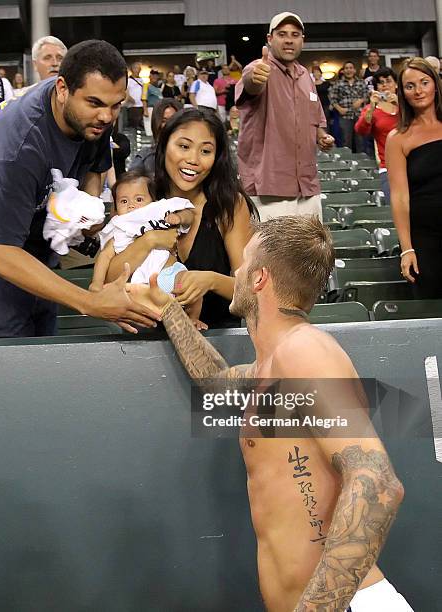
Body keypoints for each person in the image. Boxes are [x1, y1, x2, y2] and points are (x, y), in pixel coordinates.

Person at [129, 215, 411, 612]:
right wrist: (169, 311)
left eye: (243, 264)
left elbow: (378, 484)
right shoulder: (274, 367)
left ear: (259, 279)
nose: (237, 272)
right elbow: (216, 382)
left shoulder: (305, 350)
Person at [0, 40, 159, 339]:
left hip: (35, 229)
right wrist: (90, 303)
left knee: (43, 340)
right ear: (62, 88)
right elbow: (0, 254)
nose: (107, 117)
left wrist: (86, 207)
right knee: (7, 351)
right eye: (95, 103)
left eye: (116, 104)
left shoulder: (96, 114)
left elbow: (96, 166)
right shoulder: (16, 146)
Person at [105, 108, 257, 329]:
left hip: (216, 343)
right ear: (164, 146)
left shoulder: (229, 205)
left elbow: (251, 292)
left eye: (205, 151)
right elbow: (109, 282)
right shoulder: (139, 198)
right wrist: (149, 241)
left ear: (217, 158)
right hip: (145, 343)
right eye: (183, 146)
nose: (193, 159)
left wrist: (211, 281)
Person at [235, 11, 334, 221]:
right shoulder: (258, 68)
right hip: (269, 190)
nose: (289, 40)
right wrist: (256, 78)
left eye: (295, 34)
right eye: (282, 34)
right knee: (270, 255)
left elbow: (316, 120)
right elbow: (251, 84)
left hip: (307, 187)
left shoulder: (306, 76)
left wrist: (322, 137)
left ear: (302, 41)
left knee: (311, 254)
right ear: (270, 39)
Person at [93, 171, 205, 328]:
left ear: (153, 200)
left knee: (192, 287)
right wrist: (96, 283)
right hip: (140, 287)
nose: (131, 205)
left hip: (171, 276)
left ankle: (192, 319)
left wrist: (179, 218)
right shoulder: (120, 228)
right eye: (123, 201)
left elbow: (188, 213)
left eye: (139, 199)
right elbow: (104, 256)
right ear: (116, 208)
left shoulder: (158, 212)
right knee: (133, 305)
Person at [386, 57, 442, 299]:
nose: (418, 91)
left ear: (436, 84)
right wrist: (407, 248)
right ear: (403, 93)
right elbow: (399, 197)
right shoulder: (398, 138)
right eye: (410, 86)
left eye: (424, 82)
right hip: (426, 238)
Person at [355, 68, 399, 202]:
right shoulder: (371, 109)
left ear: (396, 84)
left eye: (388, 81)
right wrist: (372, 108)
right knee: (393, 207)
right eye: (380, 83)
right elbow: (360, 130)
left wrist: (399, 104)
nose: (385, 85)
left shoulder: (407, 105)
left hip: (414, 163)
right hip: (388, 166)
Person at [129, 98, 181, 175]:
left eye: (173, 120)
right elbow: (131, 183)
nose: (170, 125)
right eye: (164, 121)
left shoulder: (190, 157)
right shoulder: (145, 156)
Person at [329, 61, 368, 153]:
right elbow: (332, 98)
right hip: (345, 116)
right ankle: (348, 164)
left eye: (351, 68)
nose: (348, 70)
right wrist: (339, 109)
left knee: (361, 142)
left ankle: (362, 165)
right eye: (346, 68)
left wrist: (361, 100)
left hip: (359, 115)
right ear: (343, 71)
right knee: (346, 142)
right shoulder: (338, 84)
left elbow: (367, 95)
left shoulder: (361, 82)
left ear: (354, 70)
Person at [142, 69, 163, 137]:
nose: (154, 77)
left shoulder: (158, 88)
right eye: (152, 75)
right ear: (150, 76)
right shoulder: (146, 85)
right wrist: (145, 110)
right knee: (149, 130)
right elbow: (144, 98)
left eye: (156, 76)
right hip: (150, 109)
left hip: (158, 109)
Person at [125, 61, 144, 129]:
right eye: (135, 68)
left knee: (140, 125)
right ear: (132, 69)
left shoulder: (142, 80)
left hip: (141, 105)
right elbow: (125, 91)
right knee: (133, 125)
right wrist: (130, 99)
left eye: (139, 68)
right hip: (132, 106)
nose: (137, 70)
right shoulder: (128, 80)